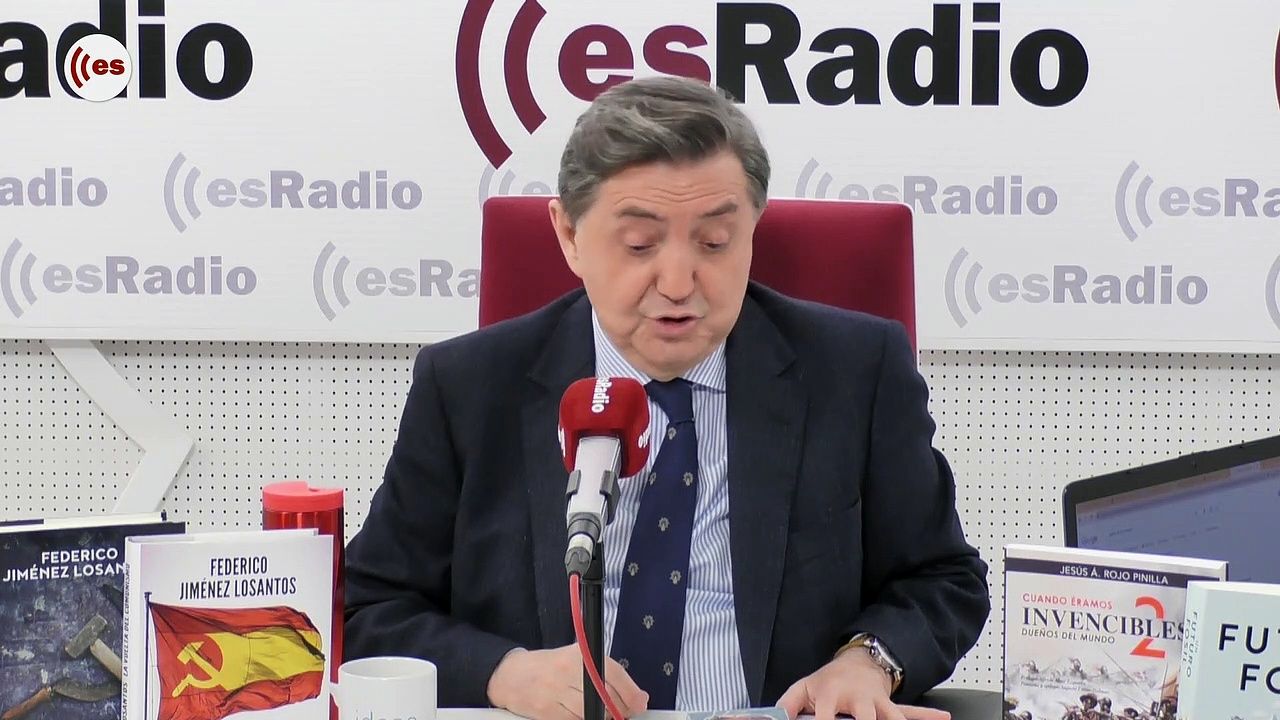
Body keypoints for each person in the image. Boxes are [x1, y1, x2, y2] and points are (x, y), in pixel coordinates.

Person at [343, 75, 989, 720]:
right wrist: (504, 673)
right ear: (568, 235)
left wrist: (867, 660)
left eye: (714, 242)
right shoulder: (468, 386)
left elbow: (942, 579)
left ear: (753, 229)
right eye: (640, 245)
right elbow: (369, 606)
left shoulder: (856, 372)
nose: (678, 283)